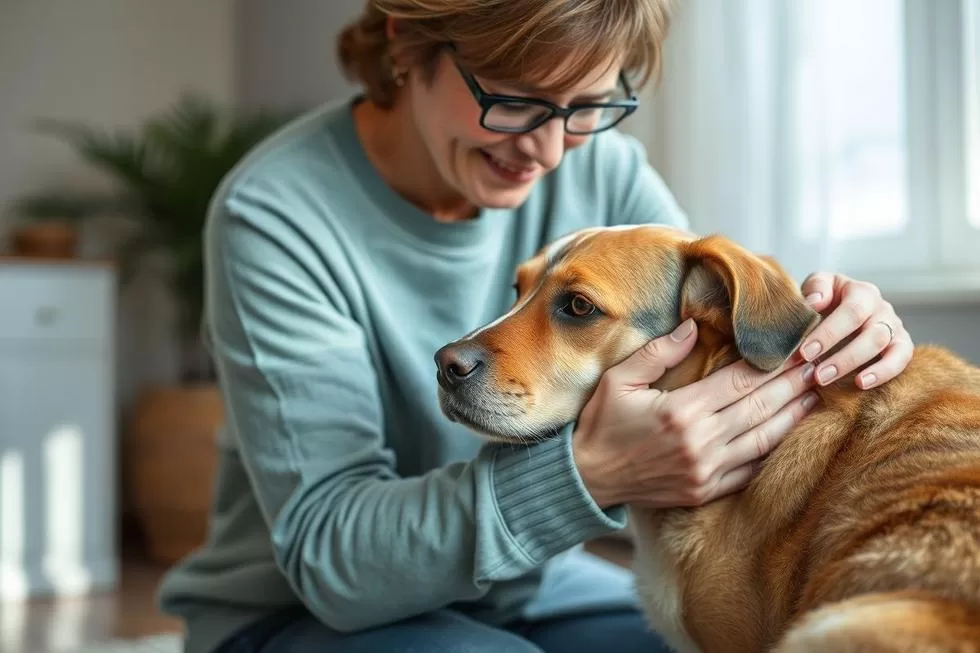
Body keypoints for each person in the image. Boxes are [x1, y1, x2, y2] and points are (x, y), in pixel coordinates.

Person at [156, 1, 914, 652]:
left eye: (588, 105)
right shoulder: (278, 214)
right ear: (404, 44)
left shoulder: (606, 174)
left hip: (529, 591)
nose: (548, 150)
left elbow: (708, 375)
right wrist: (591, 474)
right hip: (293, 614)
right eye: (513, 99)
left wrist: (840, 343)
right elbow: (332, 558)